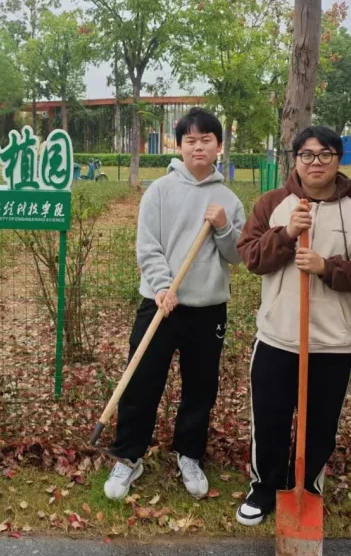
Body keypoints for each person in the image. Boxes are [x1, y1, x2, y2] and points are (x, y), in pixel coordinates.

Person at [234, 125, 351, 526]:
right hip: (278, 334)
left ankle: (306, 485)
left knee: (320, 422)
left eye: (325, 154)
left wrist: (327, 267)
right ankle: (264, 487)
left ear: (339, 159)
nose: (315, 162)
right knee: (269, 417)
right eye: (307, 154)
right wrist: (287, 234)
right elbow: (251, 257)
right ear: (295, 159)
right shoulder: (273, 203)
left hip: (334, 340)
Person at [102, 107, 246, 501]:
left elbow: (238, 256)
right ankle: (128, 456)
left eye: (206, 140)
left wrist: (224, 227)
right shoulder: (160, 191)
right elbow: (147, 246)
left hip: (208, 308)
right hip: (160, 303)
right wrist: (164, 287)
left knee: (201, 386)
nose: (198, 147)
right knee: (142, 381)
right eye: (190, 140)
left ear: (218, 145)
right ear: (179, 146)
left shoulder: (229, 200)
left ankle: (190, 454)